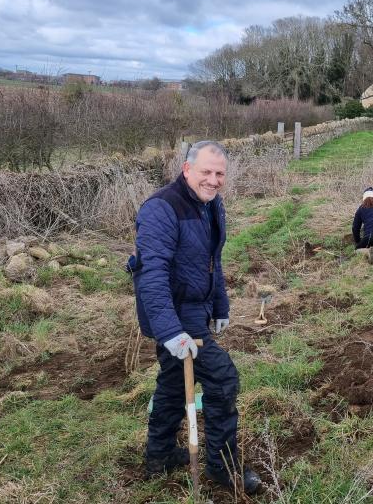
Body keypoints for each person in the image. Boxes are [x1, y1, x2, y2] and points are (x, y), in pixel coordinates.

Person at [129, 141, 261, 494]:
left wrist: (219, 306)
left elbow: (211, 261)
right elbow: (151, 274)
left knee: (174, 383)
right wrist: (171, 331)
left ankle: (158, 456)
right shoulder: (162, 208)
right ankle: (223, 466)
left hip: (195, 309)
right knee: (222, 379)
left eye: (220, 174)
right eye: (206, 171)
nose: (214, 180)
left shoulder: (211, 206)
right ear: (187, 169)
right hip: (174, 312)